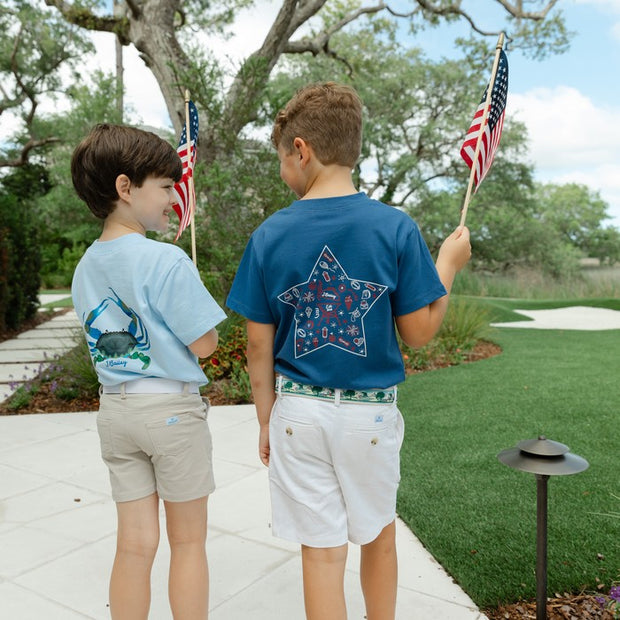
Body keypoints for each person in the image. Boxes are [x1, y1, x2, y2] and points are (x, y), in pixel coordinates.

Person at [226, 82, 471, 620]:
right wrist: (448, 263)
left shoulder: (270, 234)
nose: (283, 173)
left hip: (298, 414)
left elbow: (256, 345)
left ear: (301, 150)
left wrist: (266, 420)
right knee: (379, 537)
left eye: (281, 160)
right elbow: (419, 333)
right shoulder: (395, 227)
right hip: (369, 417)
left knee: (321, 553)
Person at [71, 123, 226, 620]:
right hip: (171, 415)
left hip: (116, 411)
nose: (173, 199)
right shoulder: (166, 259)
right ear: (124, 187)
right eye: (164, 187)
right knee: (187, 543)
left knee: (134, 546)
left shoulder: (85, 267)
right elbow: (204, 345)